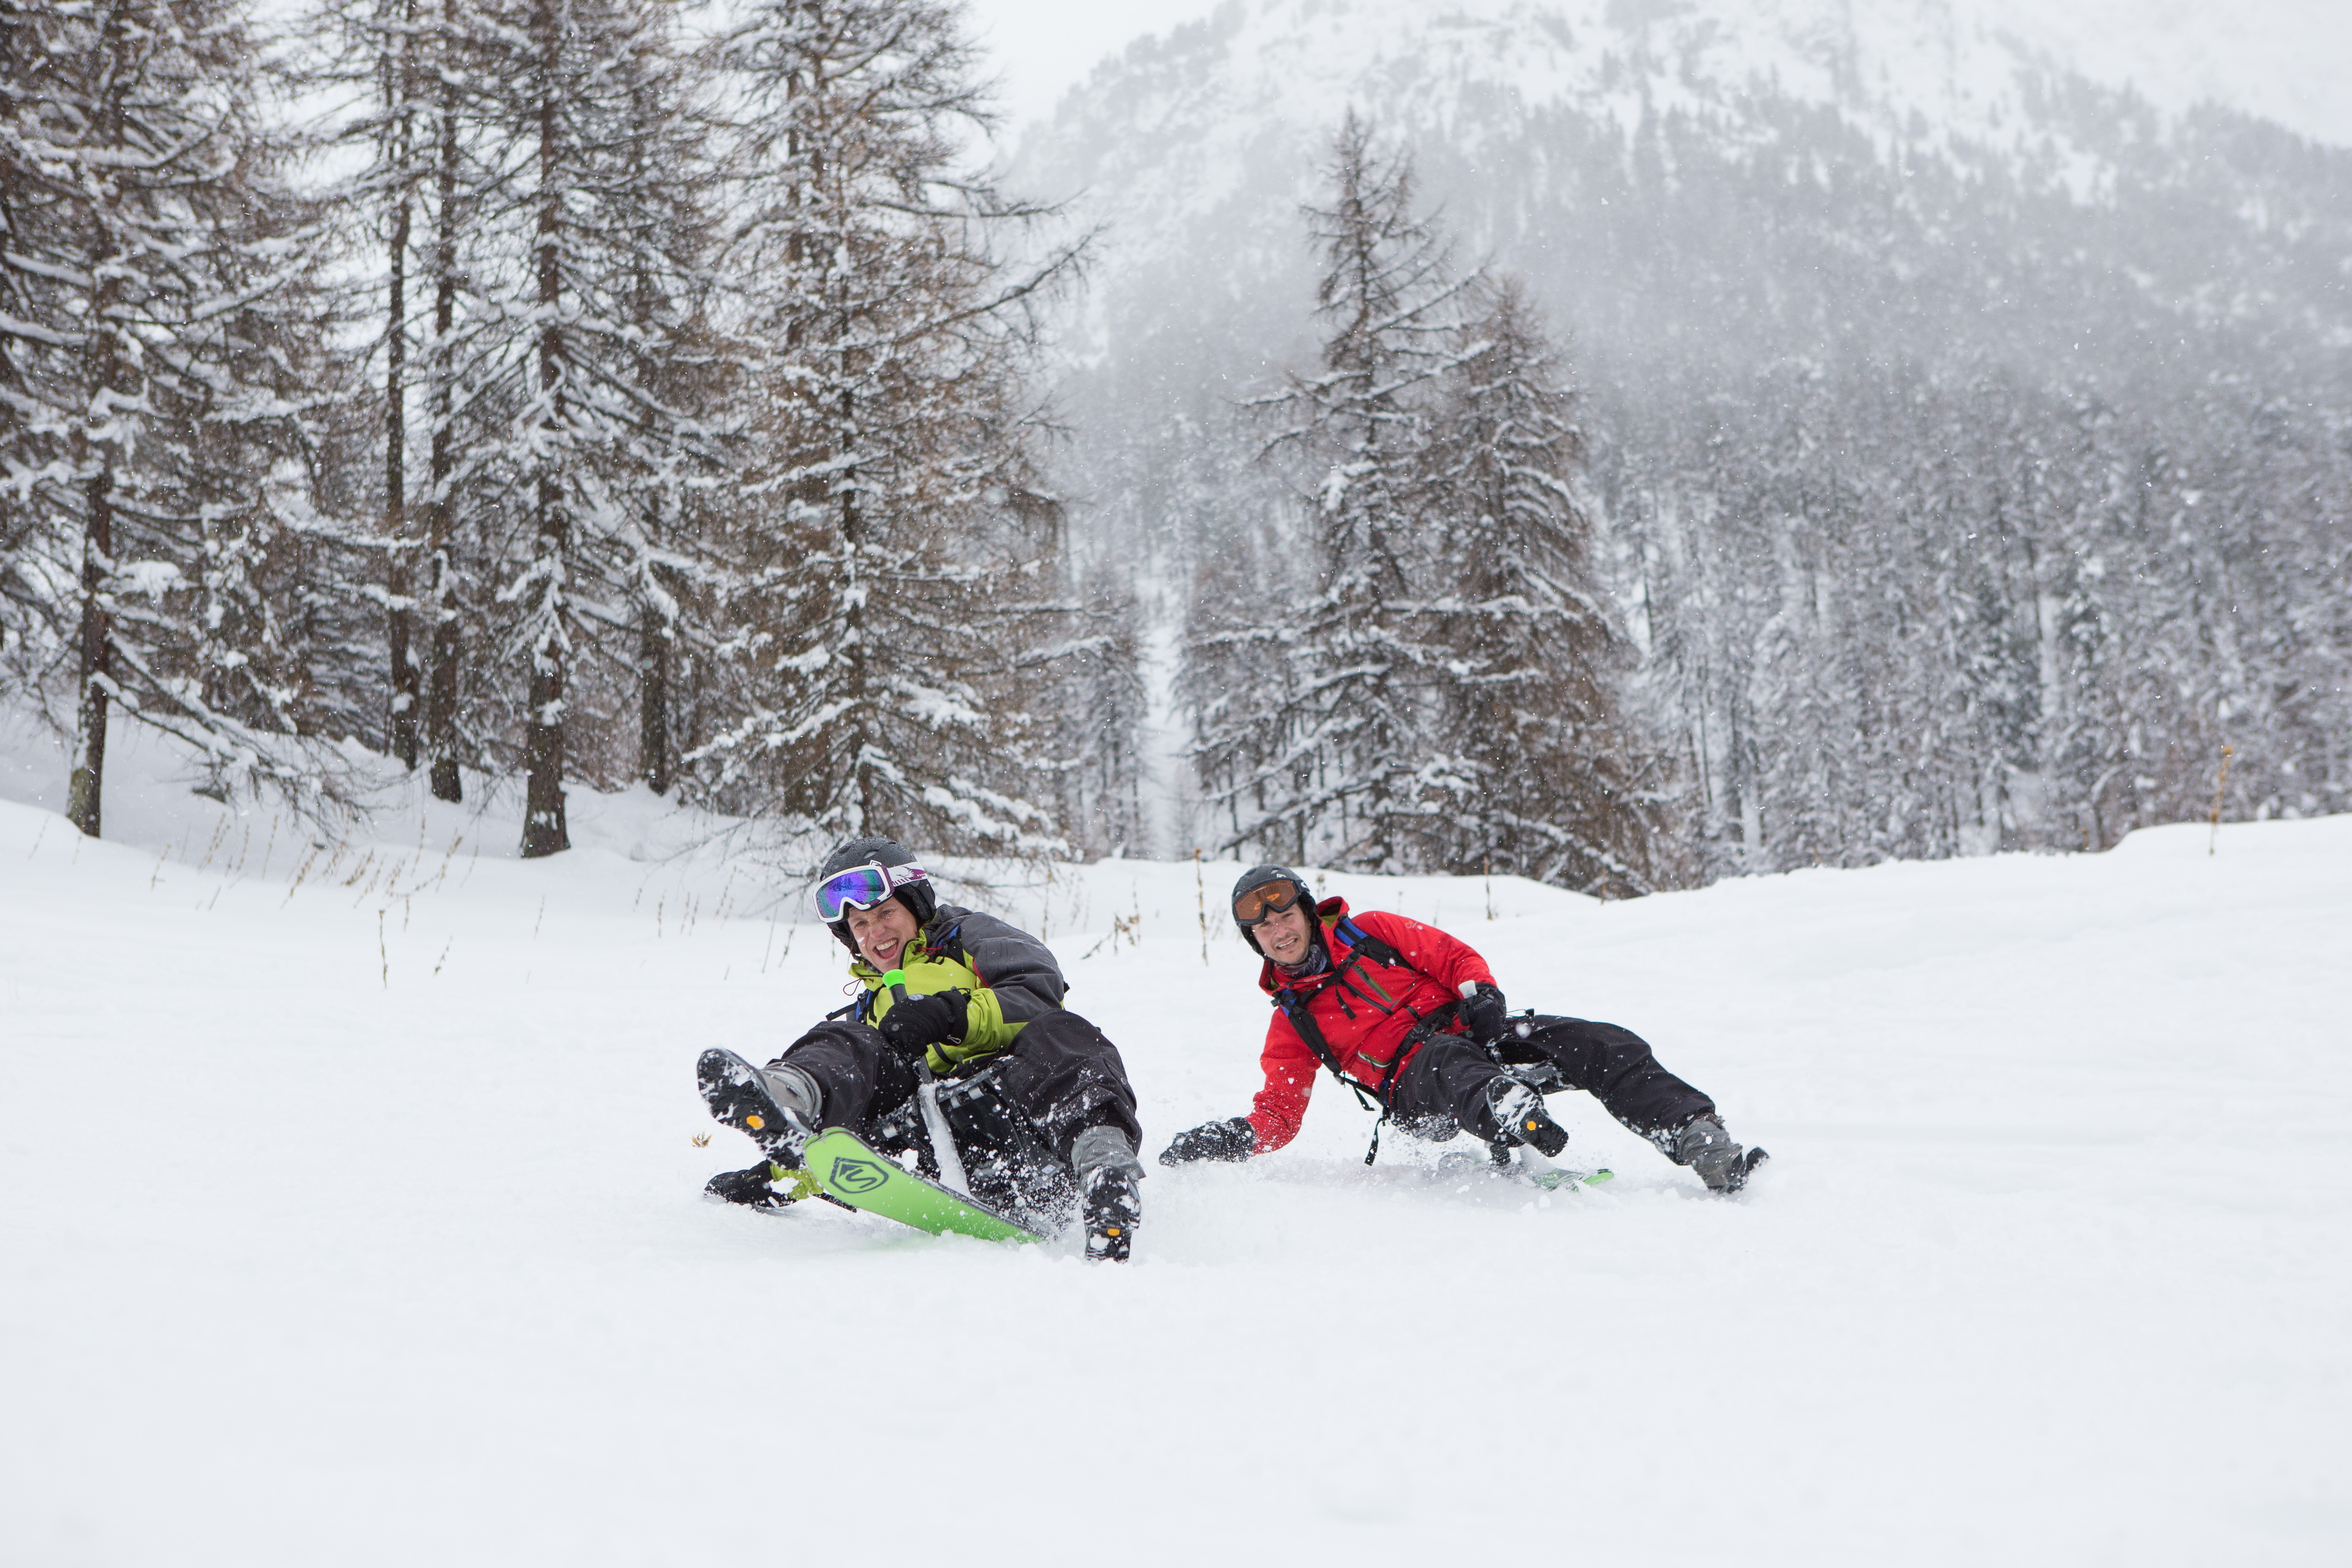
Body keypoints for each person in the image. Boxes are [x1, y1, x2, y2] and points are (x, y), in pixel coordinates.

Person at [1157, 864, 1765, 1191]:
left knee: (1594, 1040)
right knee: (1448, 1062)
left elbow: (1454, 958)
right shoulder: (1292, 1022)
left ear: (1307, 912)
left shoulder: (1371, 931)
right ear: (1254, 940)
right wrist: (1235, 1137)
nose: (1279, 931)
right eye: (1264, 929)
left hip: (1469, 1036)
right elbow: (1280, 1116)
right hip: (1415, 1091)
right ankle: (1510, 1117)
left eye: (1285, 914)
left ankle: (1696, 1136)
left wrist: (1482, 996)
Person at [697, 836, 1147, 1260]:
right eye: (860, 925)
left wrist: (953, 1016)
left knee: (1063, 1034)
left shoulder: (969, 937)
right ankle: (792, 1097)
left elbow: (1038, 992)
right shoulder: (869, 1011)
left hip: (1027, 1126)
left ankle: (1103, 1169)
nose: (875, 934)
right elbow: (853, 1138)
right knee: (847, 1042)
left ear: (915, 904)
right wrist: (781, 1175)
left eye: (885, 914)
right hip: (940, 1144)